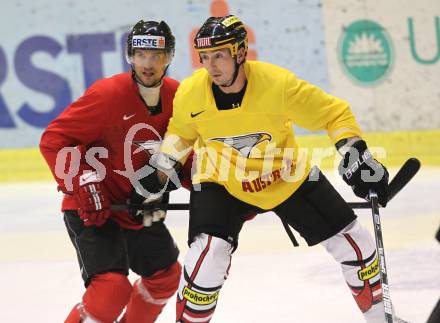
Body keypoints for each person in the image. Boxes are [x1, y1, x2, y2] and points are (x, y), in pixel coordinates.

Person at [141, 15, 405, 323]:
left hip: (284, 176)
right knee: (207, 256)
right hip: (221, 180)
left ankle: (380, 318)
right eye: (205, 57)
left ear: (240, 53)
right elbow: (181, 135)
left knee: (356, 244)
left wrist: (355, 153)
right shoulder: (191, 92)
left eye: (220, 55)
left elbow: (334, 115)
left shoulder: (278, 85)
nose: (211, 66)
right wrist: (155, 178)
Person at [40, 20, 190, 323]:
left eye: (157, 56)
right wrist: (84, 181)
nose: (147, 64)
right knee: (109, 291)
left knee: (165, 278)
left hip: (137, 207)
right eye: (140, 55)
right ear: (130, 56)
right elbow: (53, 140)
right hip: (93, 207)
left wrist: (210, 191)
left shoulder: (180, 97)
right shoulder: (106, 95)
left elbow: (182, 153)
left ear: (170, 57)